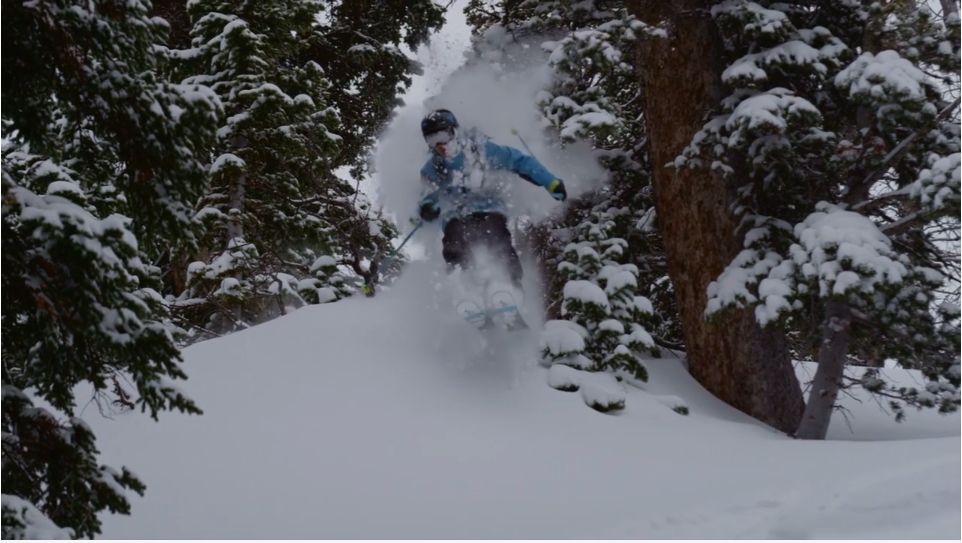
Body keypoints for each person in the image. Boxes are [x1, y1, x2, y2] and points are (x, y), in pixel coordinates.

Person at [416, 108, 567, 289]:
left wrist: (550, 183)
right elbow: (427, 195)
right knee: (454, 239)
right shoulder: (432, 168)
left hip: (488, 207)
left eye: (443, 135)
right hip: (455, 214)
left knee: (495, 236)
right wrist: (427, 207)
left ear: (454, 131)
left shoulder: (482, 151)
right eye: (432, 139)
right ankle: (463, 289)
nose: (440, 144)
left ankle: (510, 286)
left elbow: (521, 162)